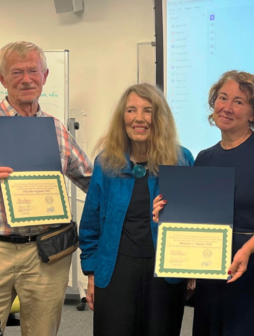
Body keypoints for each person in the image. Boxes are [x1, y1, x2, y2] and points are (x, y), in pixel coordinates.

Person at [0, 41, 92, 336]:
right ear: (1, 79)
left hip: (46, 255)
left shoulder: (56, 128)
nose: (26, 80)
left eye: (33, 71)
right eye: (16, 72)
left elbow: (91, 179)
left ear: (45, 76)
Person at [155, 71, 254, 336]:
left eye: (239, 102)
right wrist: (166, 215)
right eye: (223, 98)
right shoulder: (205, 157)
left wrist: (246, 250)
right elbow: (196, 217)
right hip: (212, 262)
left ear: (253, 113)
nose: (227, 108)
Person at [79, 83, 194, 336]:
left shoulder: (181, 159)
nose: (139, 118)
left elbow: (194, 220)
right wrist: (90, 274)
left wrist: (192, 268)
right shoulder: (106, 162)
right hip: (115, 270)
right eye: (131, 110)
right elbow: (91, 223)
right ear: (122, 117)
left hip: (164, 272)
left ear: (160, 117)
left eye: (148, 111)